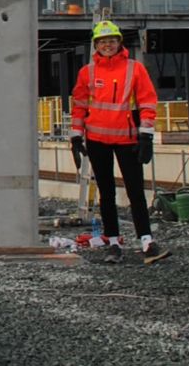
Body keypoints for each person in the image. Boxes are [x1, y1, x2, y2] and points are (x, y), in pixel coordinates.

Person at [70, 20, 169, 264]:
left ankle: (146, 240)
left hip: (127, 139)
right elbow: (79, 106)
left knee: (136, 191)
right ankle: (113, 242)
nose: (108, 45)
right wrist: (75, 136)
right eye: (103, 42)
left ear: (119, 43)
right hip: (97, 140)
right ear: (96, 45)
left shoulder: (134, 69)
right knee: (107, 193)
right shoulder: (88, 73)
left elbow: (147, 101)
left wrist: (146, 135)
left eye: (112, 41)